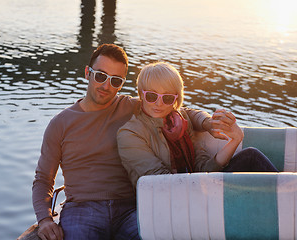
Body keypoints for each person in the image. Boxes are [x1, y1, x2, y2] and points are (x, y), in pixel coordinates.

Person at [32, 44, 230, 240]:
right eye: (100, 76)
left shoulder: (133, 107)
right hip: (83, 209)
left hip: (131, 208)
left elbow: (180, 111)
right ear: (87, 73)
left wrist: (207, 123)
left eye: (115, 81)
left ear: (122, 83)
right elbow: (43, 179)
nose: (106, 86)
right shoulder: (60, 124)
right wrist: (45, 220)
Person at [117, 61, 278, 188]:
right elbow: (161, 182)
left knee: (250, 156)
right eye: (151, 96)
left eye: (167, 98)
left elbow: (203, 169)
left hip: (197, 188)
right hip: (167, 202)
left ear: (175, 100)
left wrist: (234, 140)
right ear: (141, 95)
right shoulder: (130, 134)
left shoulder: (181, 122)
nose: (158, 103)